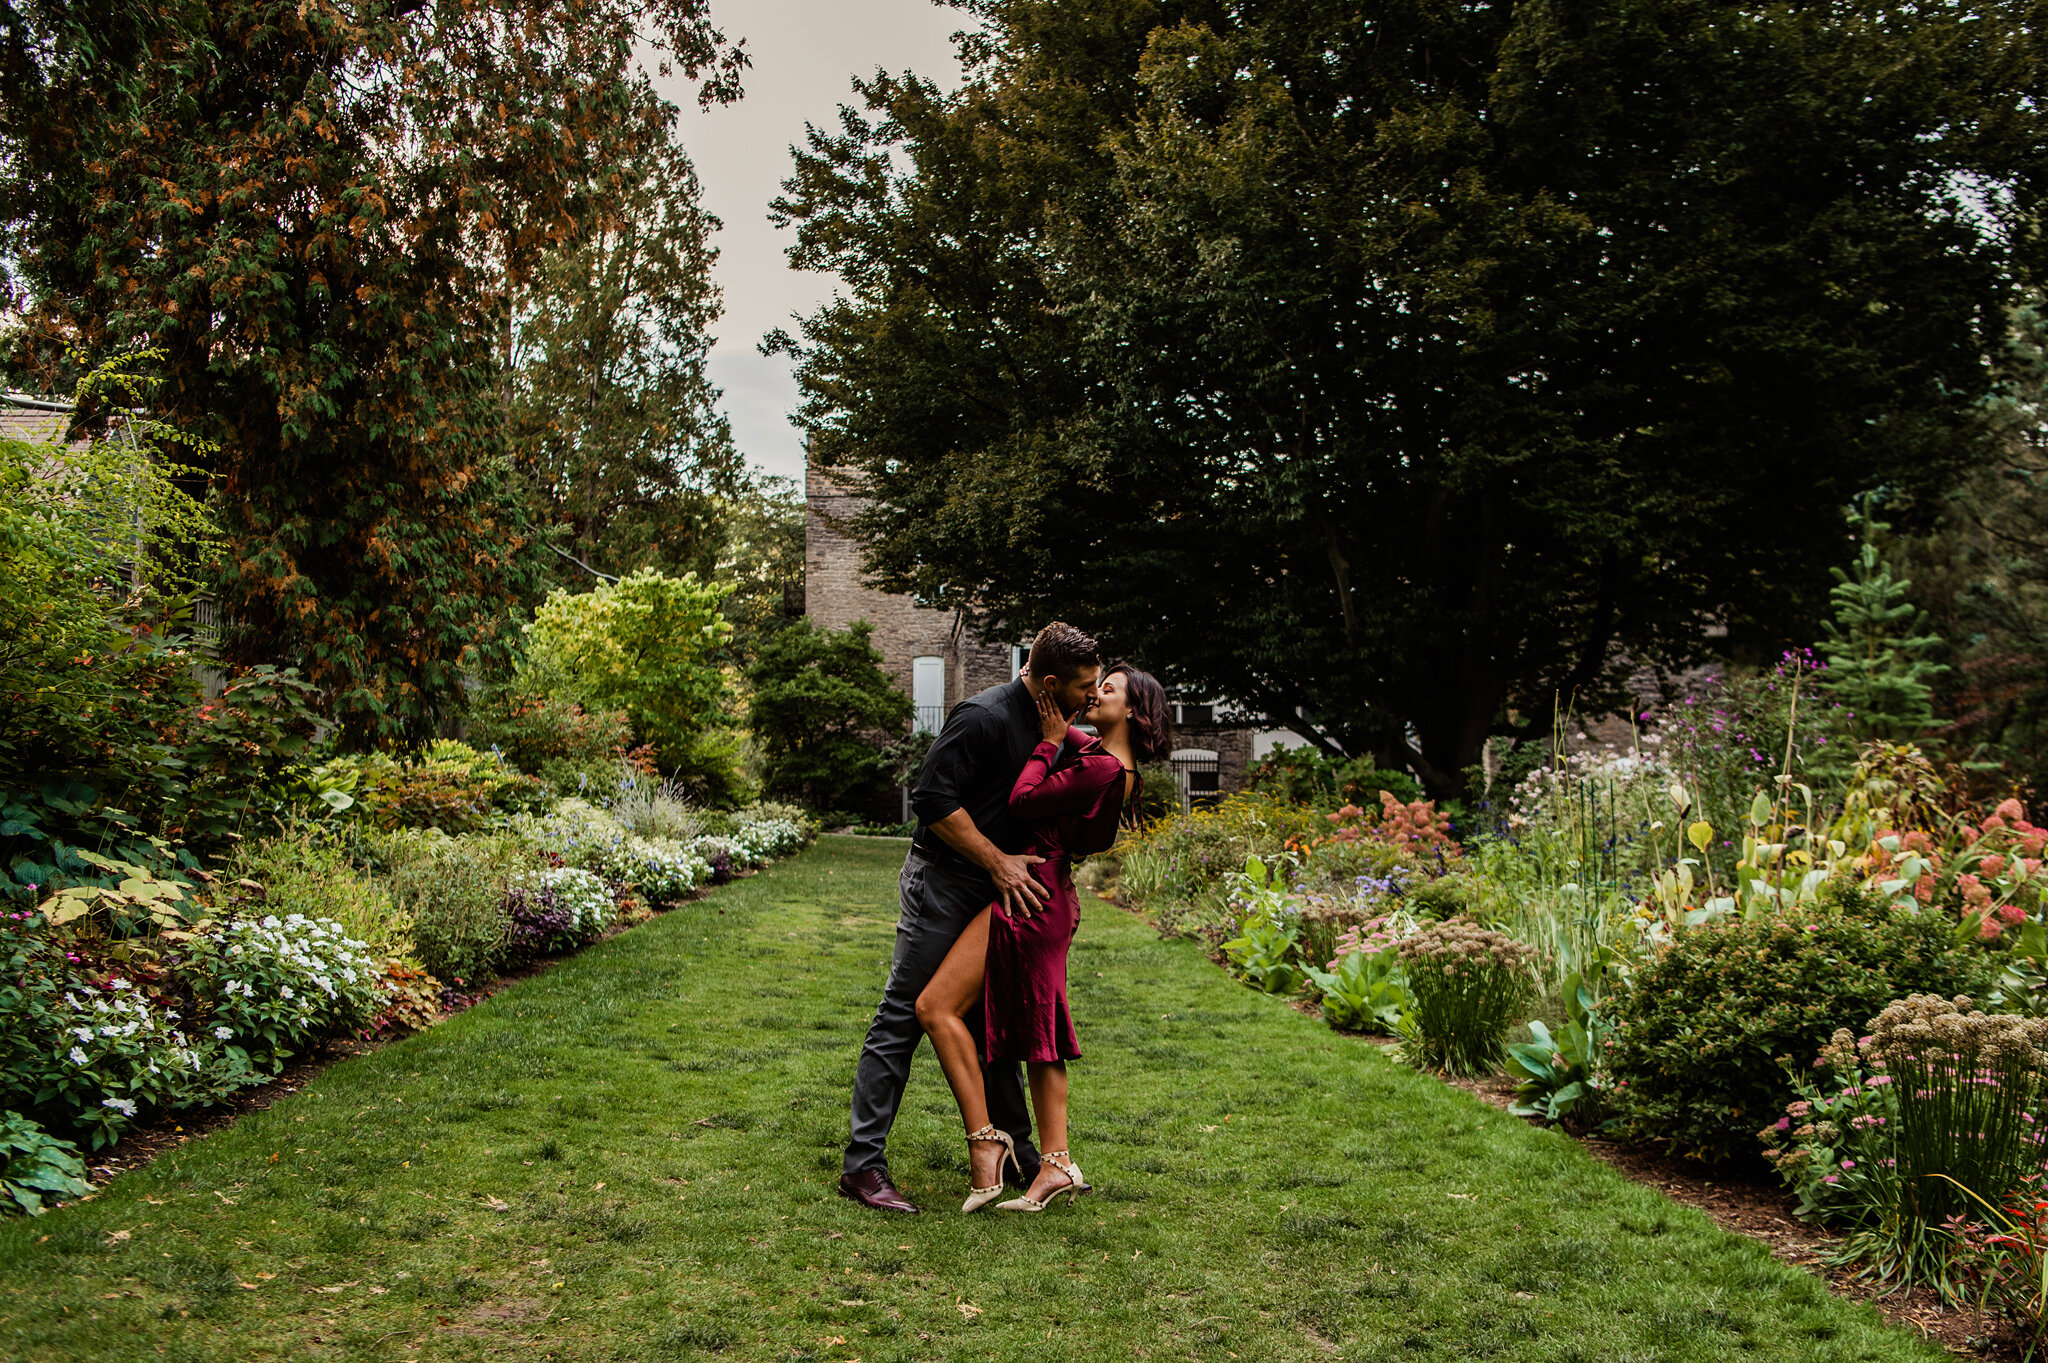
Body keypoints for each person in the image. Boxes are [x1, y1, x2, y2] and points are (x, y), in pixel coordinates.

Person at [838, 622, 1104, 1214]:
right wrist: (996, 862)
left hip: (1001, 890)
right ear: (1051, 681)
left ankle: (1022, 1157)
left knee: (995, 1022)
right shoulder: (982, 716)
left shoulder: (1057, 726)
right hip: (946, 882)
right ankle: (862, 1166)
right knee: (905, 1014)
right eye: (1084, 687)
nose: (1092, 697)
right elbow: (932, 801)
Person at [915, 662, 1173, 1212]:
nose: (1095, 694)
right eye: (1092, 685)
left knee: (944, 1008)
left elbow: (1023, 801)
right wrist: (1043, 699)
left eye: (1108, 689)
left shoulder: (1104, 768)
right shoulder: (1108, 760)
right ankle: (1051, 1162)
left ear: (1131, 709)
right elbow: (1060, 728)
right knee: (1037, 1027)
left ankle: (996, 1144)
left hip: (1032, 894)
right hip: (1045, 890)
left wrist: (1047, 744)